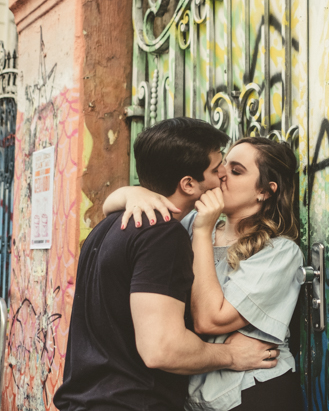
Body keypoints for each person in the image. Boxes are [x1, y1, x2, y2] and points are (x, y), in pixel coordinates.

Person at [54, 118, 281, 411]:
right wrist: (231, 355)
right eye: (216, 169)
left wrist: (130, 192)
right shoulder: (163, 235)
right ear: (188, 184)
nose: (223, 174)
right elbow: (161, 349)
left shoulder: (110, 223)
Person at [104, 135, 304, 411]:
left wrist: (202, 232)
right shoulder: (188, 223)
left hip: (252, 391)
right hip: (192, 395)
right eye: (222, 167)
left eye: (236, 171)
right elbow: (109, 206)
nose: (222, 176)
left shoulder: (279, 252)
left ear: (265, 191)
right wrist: (134, 194)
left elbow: (210, 320)